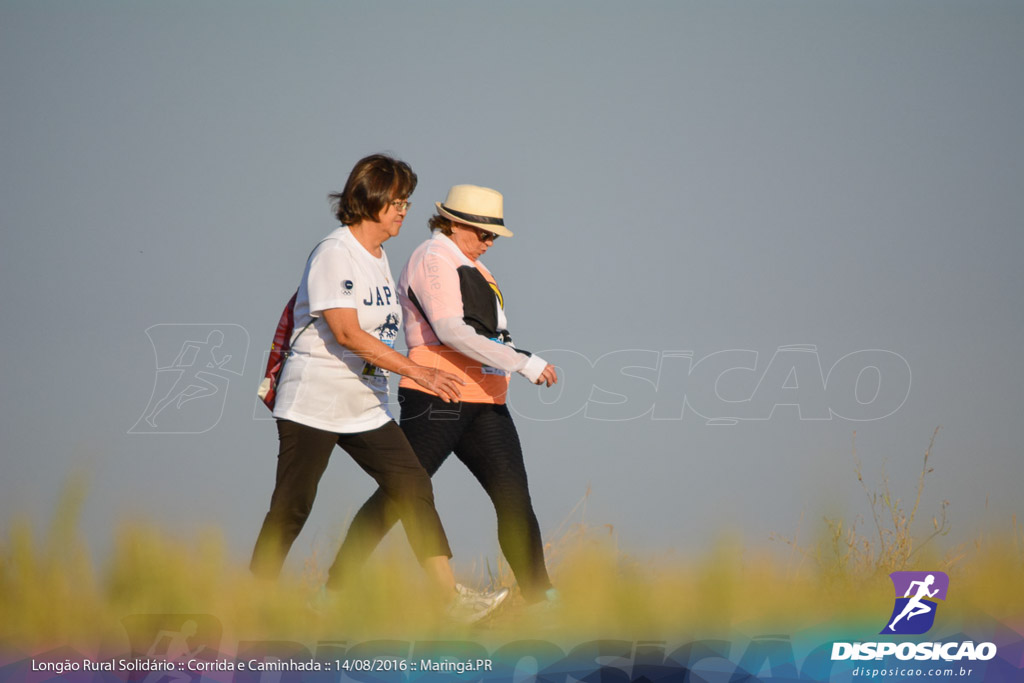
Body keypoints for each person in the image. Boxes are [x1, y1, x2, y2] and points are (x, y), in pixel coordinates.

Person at [249, 157, 507, 621]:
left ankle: (450, 601)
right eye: (396, 200)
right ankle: (251, 602)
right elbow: (347, 333)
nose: (403, 210)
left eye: (406, 201)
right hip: (314, 402)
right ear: (368, 198)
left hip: (365, 405)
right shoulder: (334, 253)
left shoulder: (379, 257)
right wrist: (420, 372)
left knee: (412, 485)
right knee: (292, 507)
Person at [329, 184, 560, 606]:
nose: (489, 243)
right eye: (483, 233)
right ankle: (335, 588)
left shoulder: (476, 267)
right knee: (401, 493)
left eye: (494, 236)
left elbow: (491, 335)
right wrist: (524, 363)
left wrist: (510, 362)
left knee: (514, 498)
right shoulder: (433, 258)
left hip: (487, 400)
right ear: (454, 223)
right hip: (438, 397)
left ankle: (542, 601)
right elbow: (451, 329)